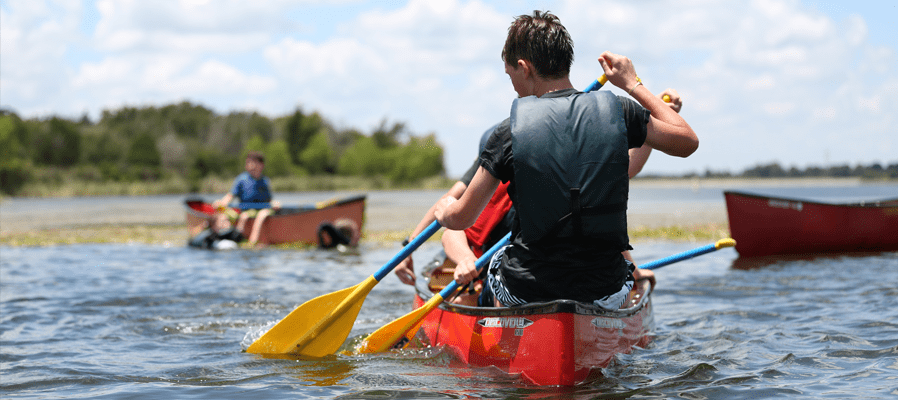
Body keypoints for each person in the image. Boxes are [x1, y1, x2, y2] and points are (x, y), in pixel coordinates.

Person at [434, 11, 698, 309]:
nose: (513, 85)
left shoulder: (509, 131)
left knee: (496, 260)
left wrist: (444, 212)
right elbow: (686, 141)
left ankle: (506, 335)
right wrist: (632, 84)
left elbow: (462, 218)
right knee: (616, 276)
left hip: (529, 290)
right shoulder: (619, 110)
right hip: (605, 288)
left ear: (524, 68)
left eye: (510, 76)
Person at [212, 151, 281, 247]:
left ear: (261, 165)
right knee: (241, 216)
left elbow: (269, 200)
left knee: (261, 215)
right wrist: (221, 203)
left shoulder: (264, 181)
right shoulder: (242, 179)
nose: (250, 166)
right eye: (248, 163)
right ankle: (232, 237)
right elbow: (230, 196)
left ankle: (252, 243)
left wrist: (275, 203)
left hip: (261, 210)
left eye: (253, 163)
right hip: (246, 210)